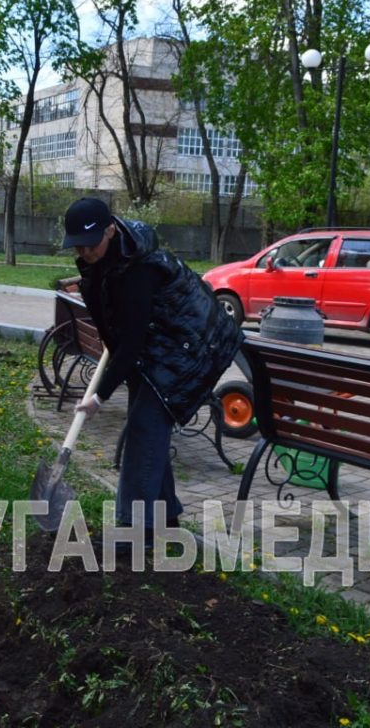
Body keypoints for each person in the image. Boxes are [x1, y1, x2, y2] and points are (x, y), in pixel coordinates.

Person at [64, 197, 244, 536]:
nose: (84, 253)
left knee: (143, 431)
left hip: (190, 351)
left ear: (111, 230)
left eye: (90, 245)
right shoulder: (102, 266)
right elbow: (116, 337)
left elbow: (130, 342)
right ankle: (166, 518)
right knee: (147, 429)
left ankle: (135, 530)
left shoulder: (140, 270)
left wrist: (99, 396)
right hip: (157, 349)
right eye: (78, 247)